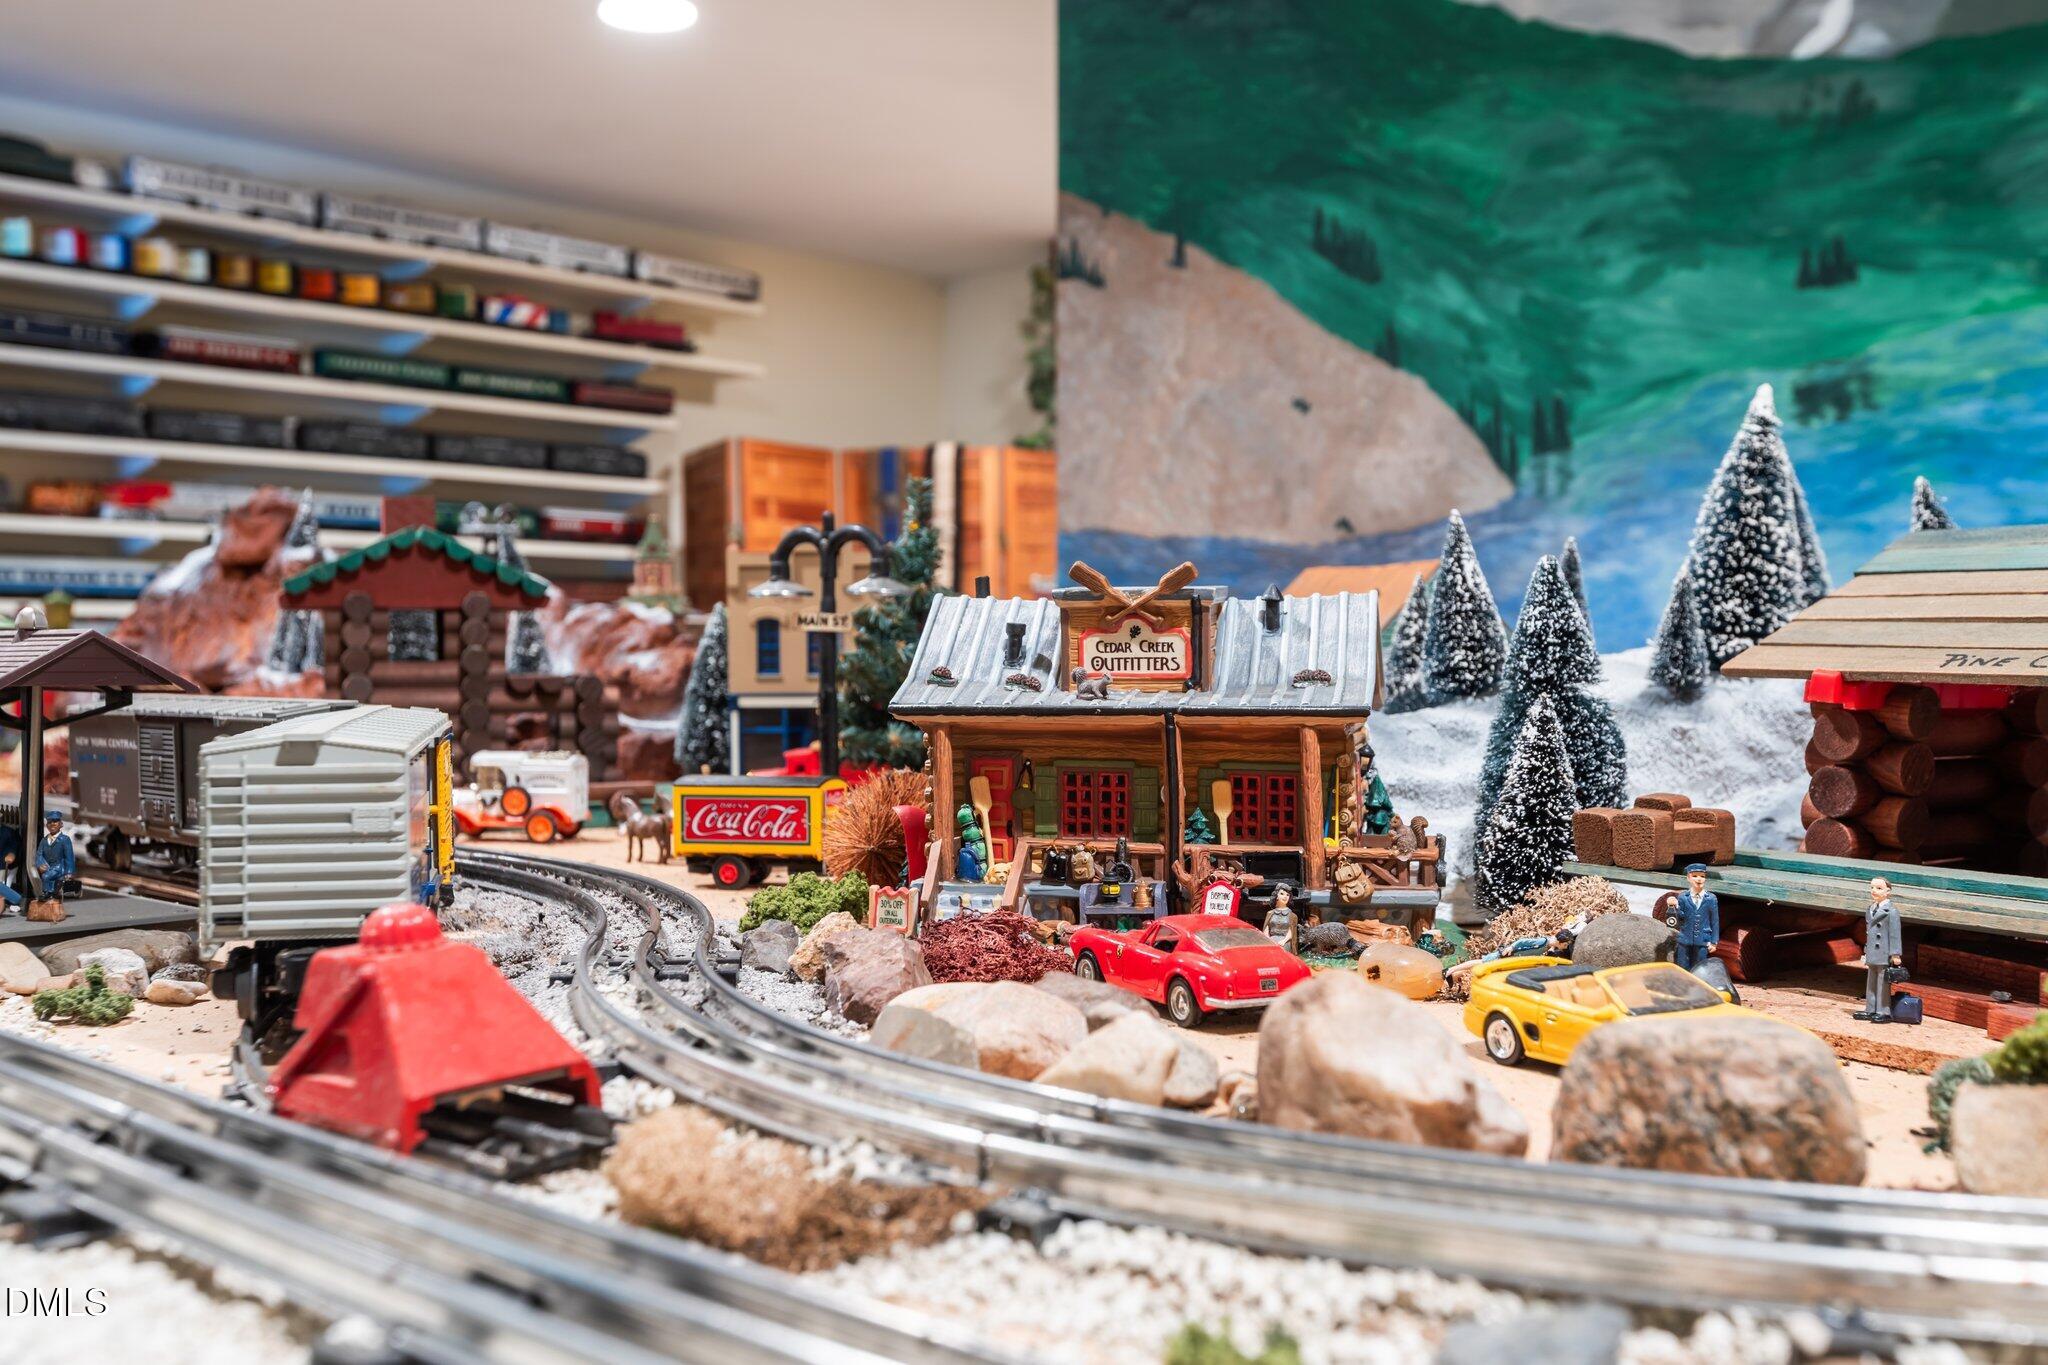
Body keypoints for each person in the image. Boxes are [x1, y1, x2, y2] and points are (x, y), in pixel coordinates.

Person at [1858, 876, 1904, 1024]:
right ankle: (1870, 1009)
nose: (1874, 891)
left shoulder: (1891, 911)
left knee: (1882, 984)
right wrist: (1866, 950)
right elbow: (1869, 934)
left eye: (1878, 888)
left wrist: (1895, 953)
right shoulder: (1870, 909)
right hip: (1872, 953)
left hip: (1884, 953)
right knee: (1870, 983)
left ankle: (1883, 1011)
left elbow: (1895, 934)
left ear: (1888, 891)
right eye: (1872, 887)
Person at [1671, 864, 1720, 972]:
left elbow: (1715, 921)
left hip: (1703, 940)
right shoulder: (1683, 897)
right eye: (1695, 876)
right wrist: (1676, 907)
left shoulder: (1711, 899)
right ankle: (1682, 986)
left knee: (1700, 967)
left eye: (1702, 876)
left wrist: (1714, 941)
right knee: (1682, 966)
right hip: (1685, 938)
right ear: (1688, 878)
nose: (1699, 879)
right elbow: (1680, 918)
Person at [34, 811, 74, 903]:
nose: (52, 824)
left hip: (59, 867)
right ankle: (50, 893)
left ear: (61, 824)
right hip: (48, 866)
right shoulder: (44, 840)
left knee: (46, 876)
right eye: (49, 822)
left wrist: (69, 872)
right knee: (46, 875)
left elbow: (69, 857)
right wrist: (40, 864)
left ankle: (48, 893)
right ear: (47, 825)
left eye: (55, 821)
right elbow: (39, 854)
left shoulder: (65, 840)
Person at [1263, 881, 1299, 954]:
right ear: (1276, 896)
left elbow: (1291, 932)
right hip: (1271, 940)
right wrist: (1269, 940)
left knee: (1281, 950)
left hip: (1285, 942)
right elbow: (1266, 930)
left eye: (1287, 895)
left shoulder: (1292, 916)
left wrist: (1284, 941)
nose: (1285, 897)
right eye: (1282, 894)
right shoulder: (1270, 913)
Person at [0, 818, 22, 913]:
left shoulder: (8, 832)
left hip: (4, 865)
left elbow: (13, 845)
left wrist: (11, 853)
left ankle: (11, 901)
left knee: (4, 887)